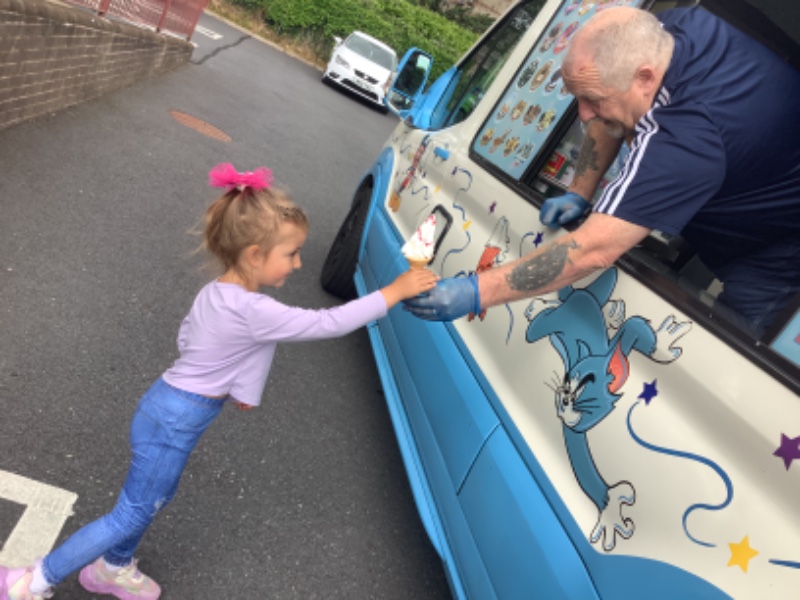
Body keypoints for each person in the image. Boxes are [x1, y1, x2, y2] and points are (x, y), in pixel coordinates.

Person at [0, 163, 437, 600]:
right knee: (130, 513)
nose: (299, 263)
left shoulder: (218, 292)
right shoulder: (255, 310)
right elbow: (328, 322)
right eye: (291, 253)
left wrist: (241, 388)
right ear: (254, 255)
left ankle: (114, 565)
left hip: (161, 403)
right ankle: (31, 581)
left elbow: (193, 338)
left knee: (152, 498)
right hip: (178, 420)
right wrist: (393, 292)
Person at [404, 6, 800, 336]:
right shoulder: (668, 32)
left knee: (735, 340)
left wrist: (477, 291)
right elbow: (607, 106)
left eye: (592, 100)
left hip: (775, 252)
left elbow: (594, 250)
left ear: (646, 77)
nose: (583, 115)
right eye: (579, 98)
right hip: (747, 170)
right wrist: (581, 189)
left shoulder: (686, 137)